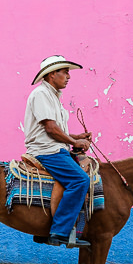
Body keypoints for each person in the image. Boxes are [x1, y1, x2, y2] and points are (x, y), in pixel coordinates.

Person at [23, 55, 93, 248]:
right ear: (53, 74)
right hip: (47, 151)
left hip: (55, 147)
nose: (69, 76)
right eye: (66, 72)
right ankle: (59, 232)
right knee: (80, 180)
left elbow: (56, 129)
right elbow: (51, 129)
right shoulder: (41, 94)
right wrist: (75, 142)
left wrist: (76, 136)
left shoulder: (53, 96)